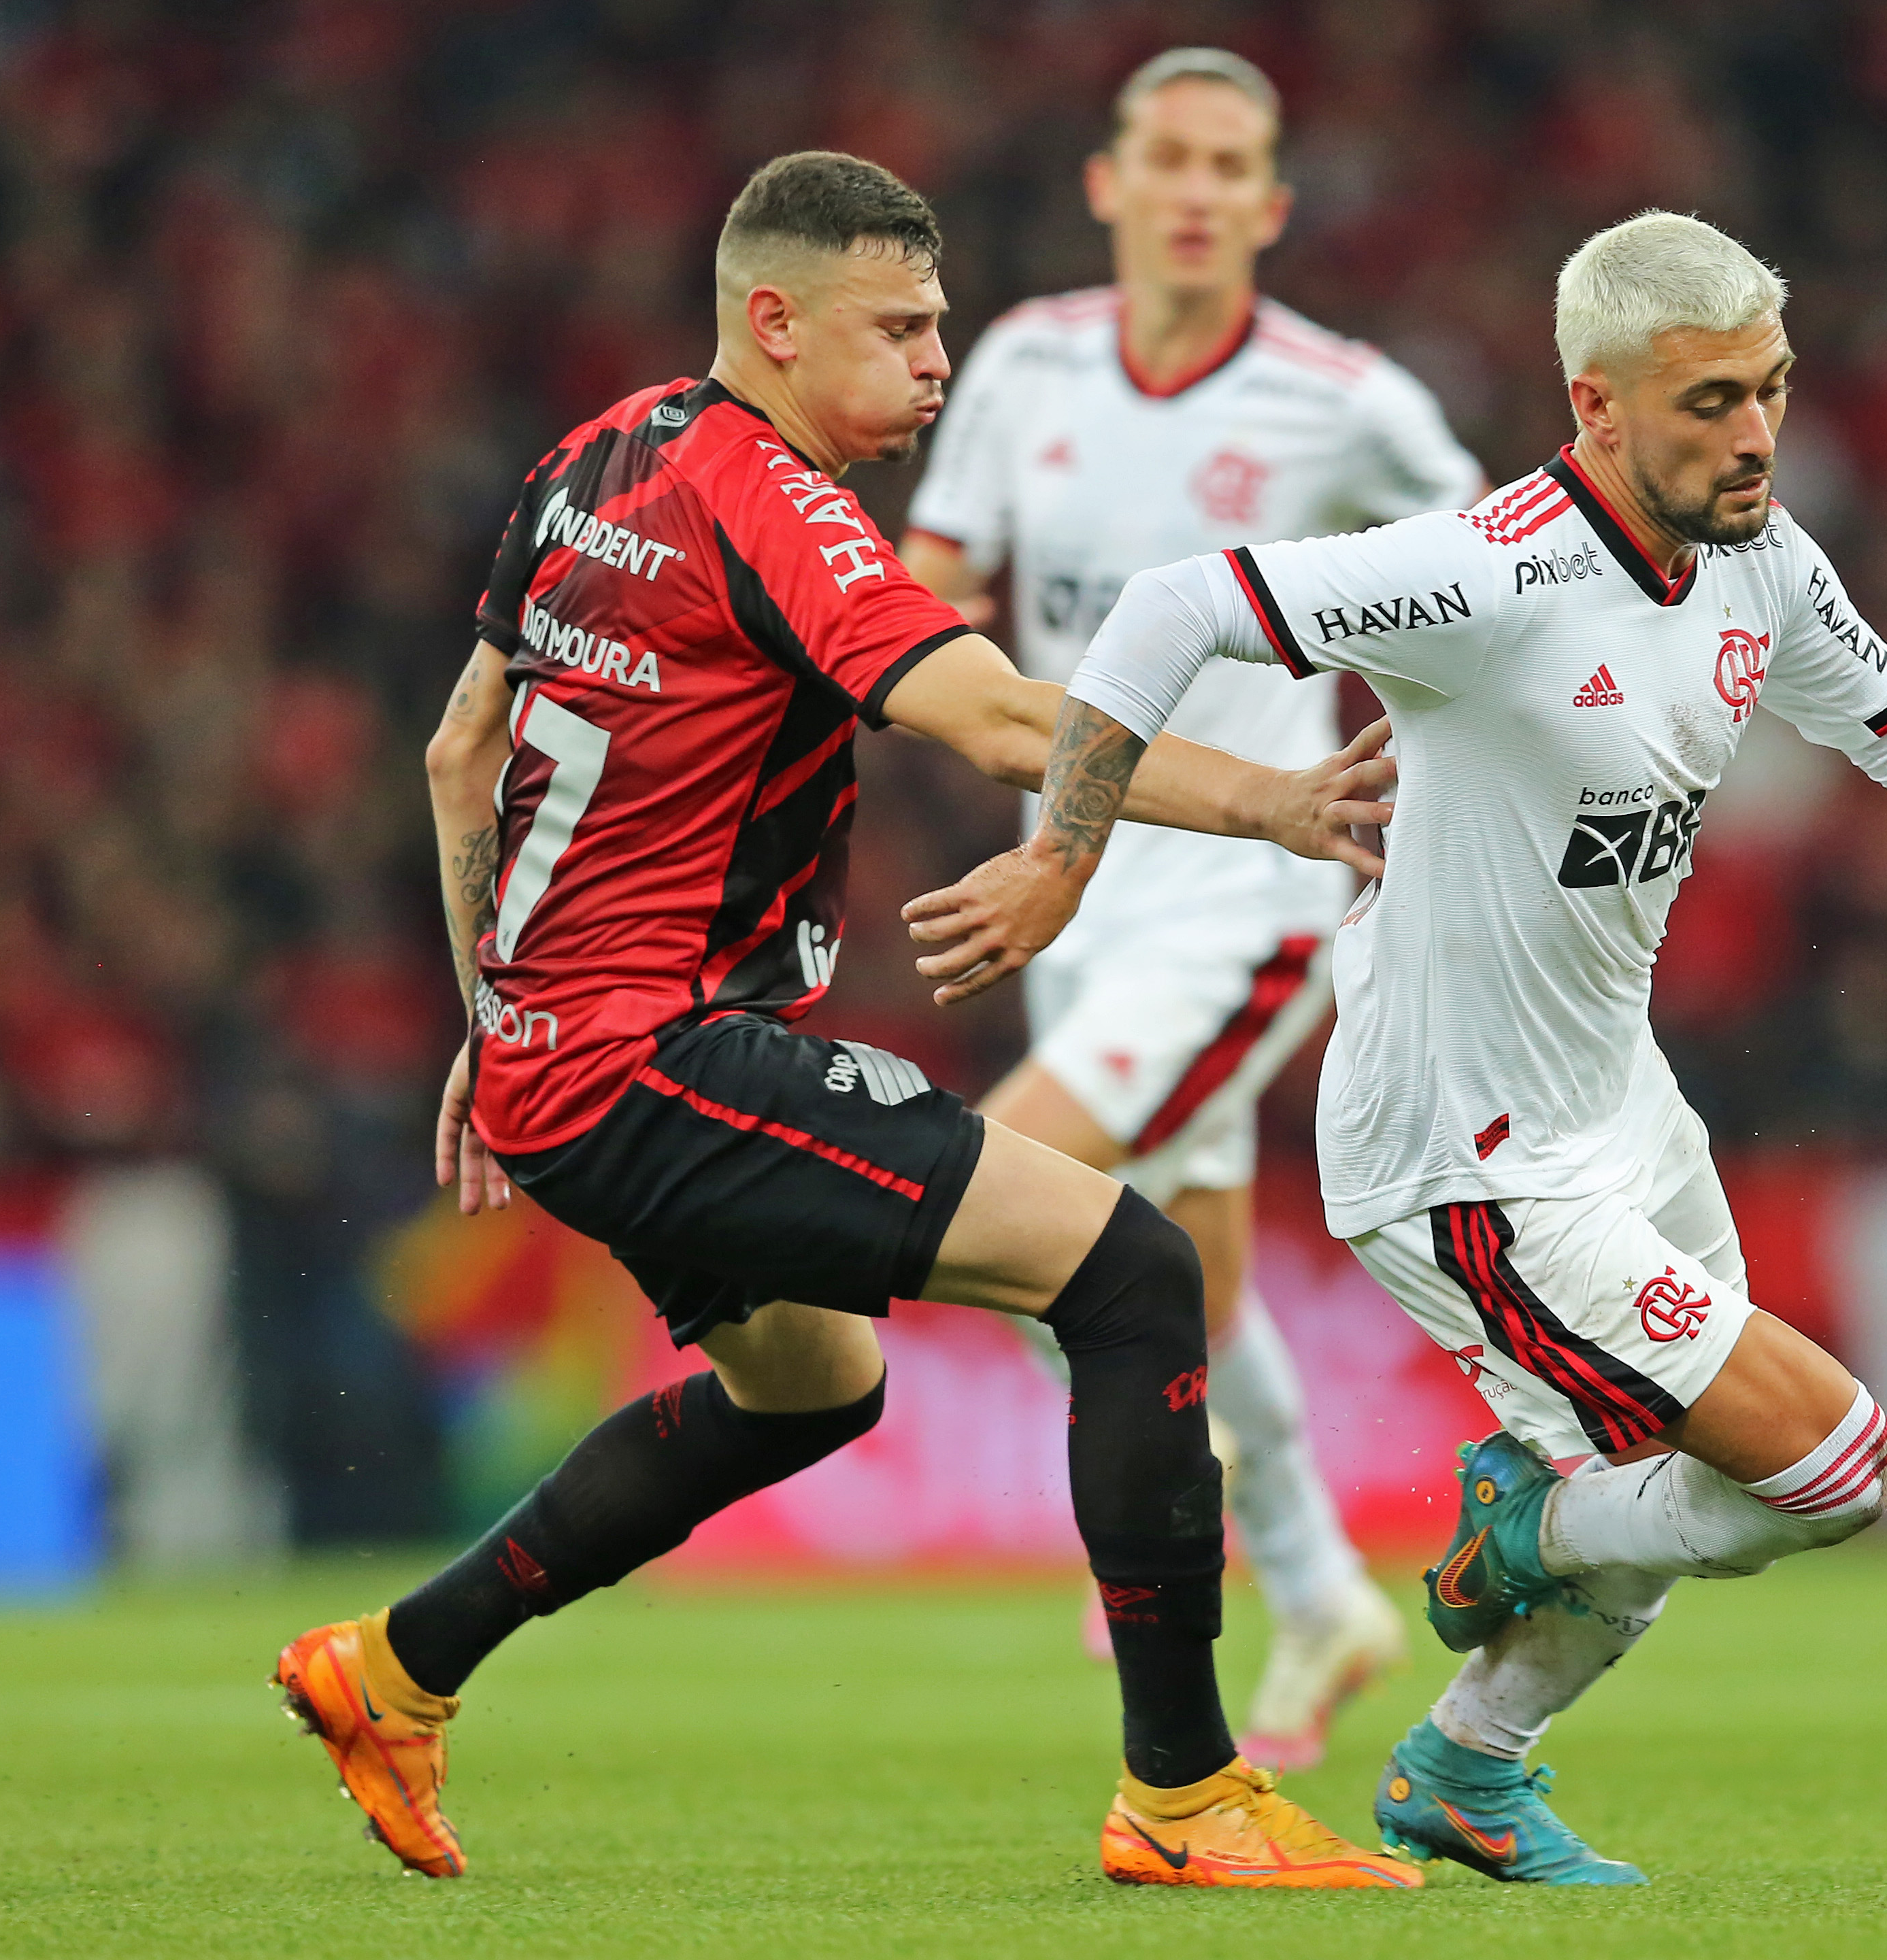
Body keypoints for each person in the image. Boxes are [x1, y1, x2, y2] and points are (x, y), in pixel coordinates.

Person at [905, 210, 1887, 1885]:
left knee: (1684, 1477)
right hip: (1465, 1163)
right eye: (1709, 401)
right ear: (1593, 408)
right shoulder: (1491, 574)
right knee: (1830, 1469)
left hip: (1619, 1108)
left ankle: (1466, 1766)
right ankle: (1529, 1521)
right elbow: (1168, 606)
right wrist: (1061, 858)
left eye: (1771, 390)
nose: (1754, 434)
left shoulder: (1761, 561)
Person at [269, 149, 1422, 1891]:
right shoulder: (775, 502)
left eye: (945, 325)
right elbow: (1013, 722)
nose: (936, 362)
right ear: (777, 321)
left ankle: (396, 1667)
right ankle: (1185, 1797)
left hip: (567, 1052)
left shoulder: (593, 454)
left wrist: (497, 1005)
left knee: (809, 1386)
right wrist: (1276, 804)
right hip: (658, 1056)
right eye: (898, 328)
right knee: (1127, 1273)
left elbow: (458, 759)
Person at [899, 48, 1483, 1769]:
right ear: (1107, 181)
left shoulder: (1342, 401)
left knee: (997, 1199)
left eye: (1232, 164)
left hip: (1247, 895)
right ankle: (1319, 1592)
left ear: (1272, 206)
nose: (1197, 189)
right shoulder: (1019, 362)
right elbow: (934, 577)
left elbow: (1493, 574)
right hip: (1062, 889)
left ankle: (1180, 1502)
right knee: (1188, 1281)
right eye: (1168, 156)